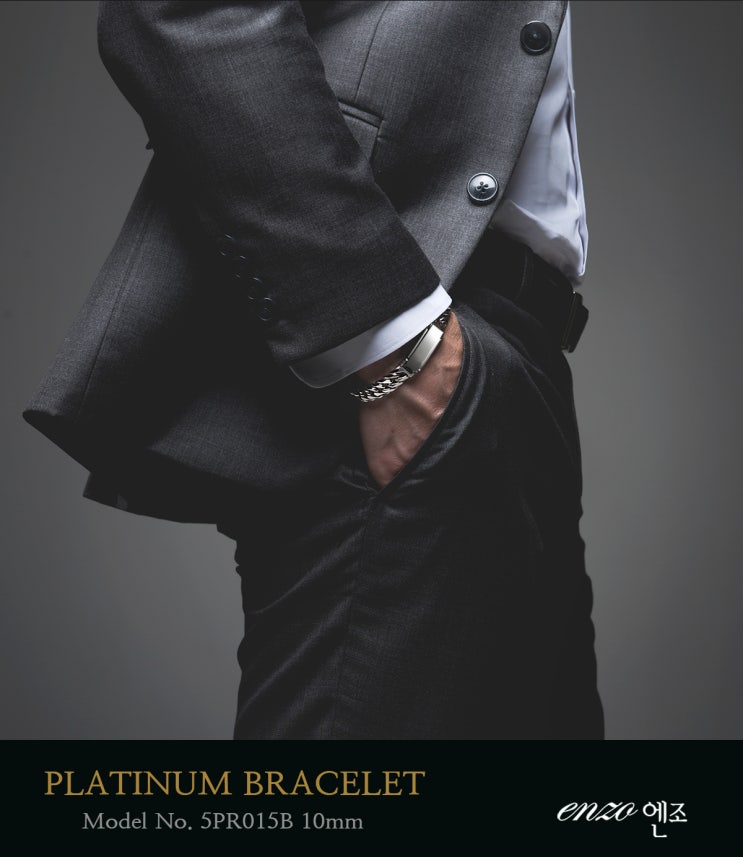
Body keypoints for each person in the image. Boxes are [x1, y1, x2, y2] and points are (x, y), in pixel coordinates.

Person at [24, 0, 603, 739]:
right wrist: (388, 340)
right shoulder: (400, 354)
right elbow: (184, 12)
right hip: (393, 341)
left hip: (512, 359)